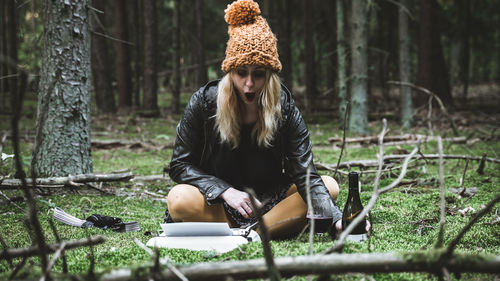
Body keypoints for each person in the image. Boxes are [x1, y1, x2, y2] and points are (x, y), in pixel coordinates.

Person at [165, 0, 344, 239]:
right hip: (218, 203)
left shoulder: (285, 107)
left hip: (272, 203)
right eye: (241, 73)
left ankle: (251, 233)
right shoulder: (204, 102)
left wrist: (338, 218)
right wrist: (225, 191)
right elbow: (180, 165)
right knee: (178, 198)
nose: (249, 84)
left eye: (258, 74)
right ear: (230, 72)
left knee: (329, 186)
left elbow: (305, 173)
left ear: (269, 76)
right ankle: (260, 230)